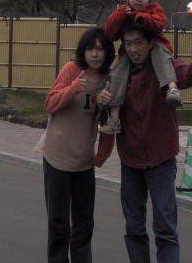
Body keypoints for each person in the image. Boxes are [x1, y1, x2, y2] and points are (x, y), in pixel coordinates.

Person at [95, 22, 192, 263]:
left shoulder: (164, 66)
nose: (133, 49)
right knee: (134, 228)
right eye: (128, 44)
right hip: (131, 160)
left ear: (150, 44)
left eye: (138, 42)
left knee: (165, 228)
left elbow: (189, 76)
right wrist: (101, 99)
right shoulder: (120, 73)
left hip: (161, 159)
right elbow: (103, 105)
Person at [39, 27, 116, 263]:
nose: (95, 54)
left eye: (100, 49)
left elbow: (110, 123)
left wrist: (102, 154)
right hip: (57, 157)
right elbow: (50, 104)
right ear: (83, 51)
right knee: (59, 223)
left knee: (84, 225)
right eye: (91, 49)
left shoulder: (109, 80)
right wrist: (74, 88)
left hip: (84, 162)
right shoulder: (71, 69)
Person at [100, 0, 179, 134]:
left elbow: (159, 22)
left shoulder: (154, 9)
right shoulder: (123, 12)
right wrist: (121, 14)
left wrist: (142, 18)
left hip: (156, 47)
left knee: (163, 61)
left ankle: (172, 90)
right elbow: (109, 32)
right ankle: (114, 120)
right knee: (117, 75)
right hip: (128, 54)